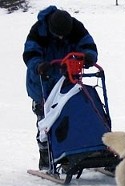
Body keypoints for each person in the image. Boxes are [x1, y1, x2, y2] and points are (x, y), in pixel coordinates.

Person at [23, 6, 98, 170]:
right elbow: (30, 54)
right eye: (58, 34)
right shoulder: (38, 30)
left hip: (67, 80)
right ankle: (46, 156)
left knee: (69, 117)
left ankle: (69, 154)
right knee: (45, 120)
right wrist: (39, 65)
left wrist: (89, 56)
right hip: (42, 82)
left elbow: (88, 44)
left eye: (64, 34)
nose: (62, 37)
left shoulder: (75, 27)